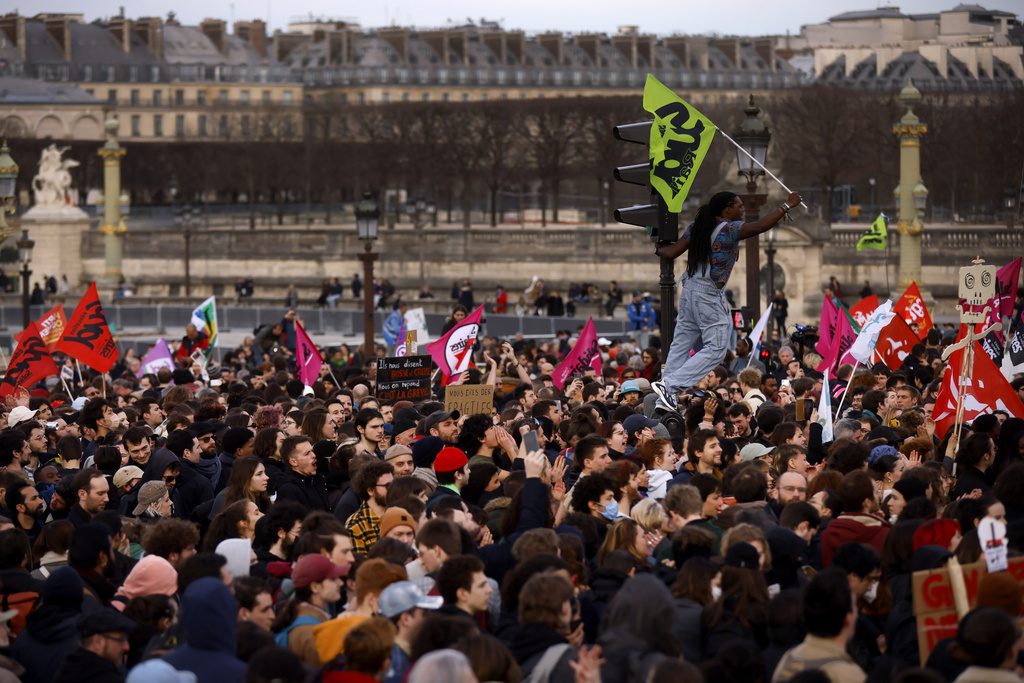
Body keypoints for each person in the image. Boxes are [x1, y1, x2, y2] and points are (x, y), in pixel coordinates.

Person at [652, 190, 801, 411]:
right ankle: (670, 385)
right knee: (718, 348)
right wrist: (786, 206)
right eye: (739, 206)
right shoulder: (730, 229)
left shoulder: (697, 227)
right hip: (708, 294)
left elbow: (671, 253)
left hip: (689, 289)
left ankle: (665, 397)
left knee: (681, 343)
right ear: (726, 209)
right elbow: (759, 227)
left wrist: (656, 242)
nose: (742, 211)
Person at [52, 607, 136, 683]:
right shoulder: (109, 679)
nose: (127, 647)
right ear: (98, 641)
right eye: (121, 639)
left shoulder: (65, 671)